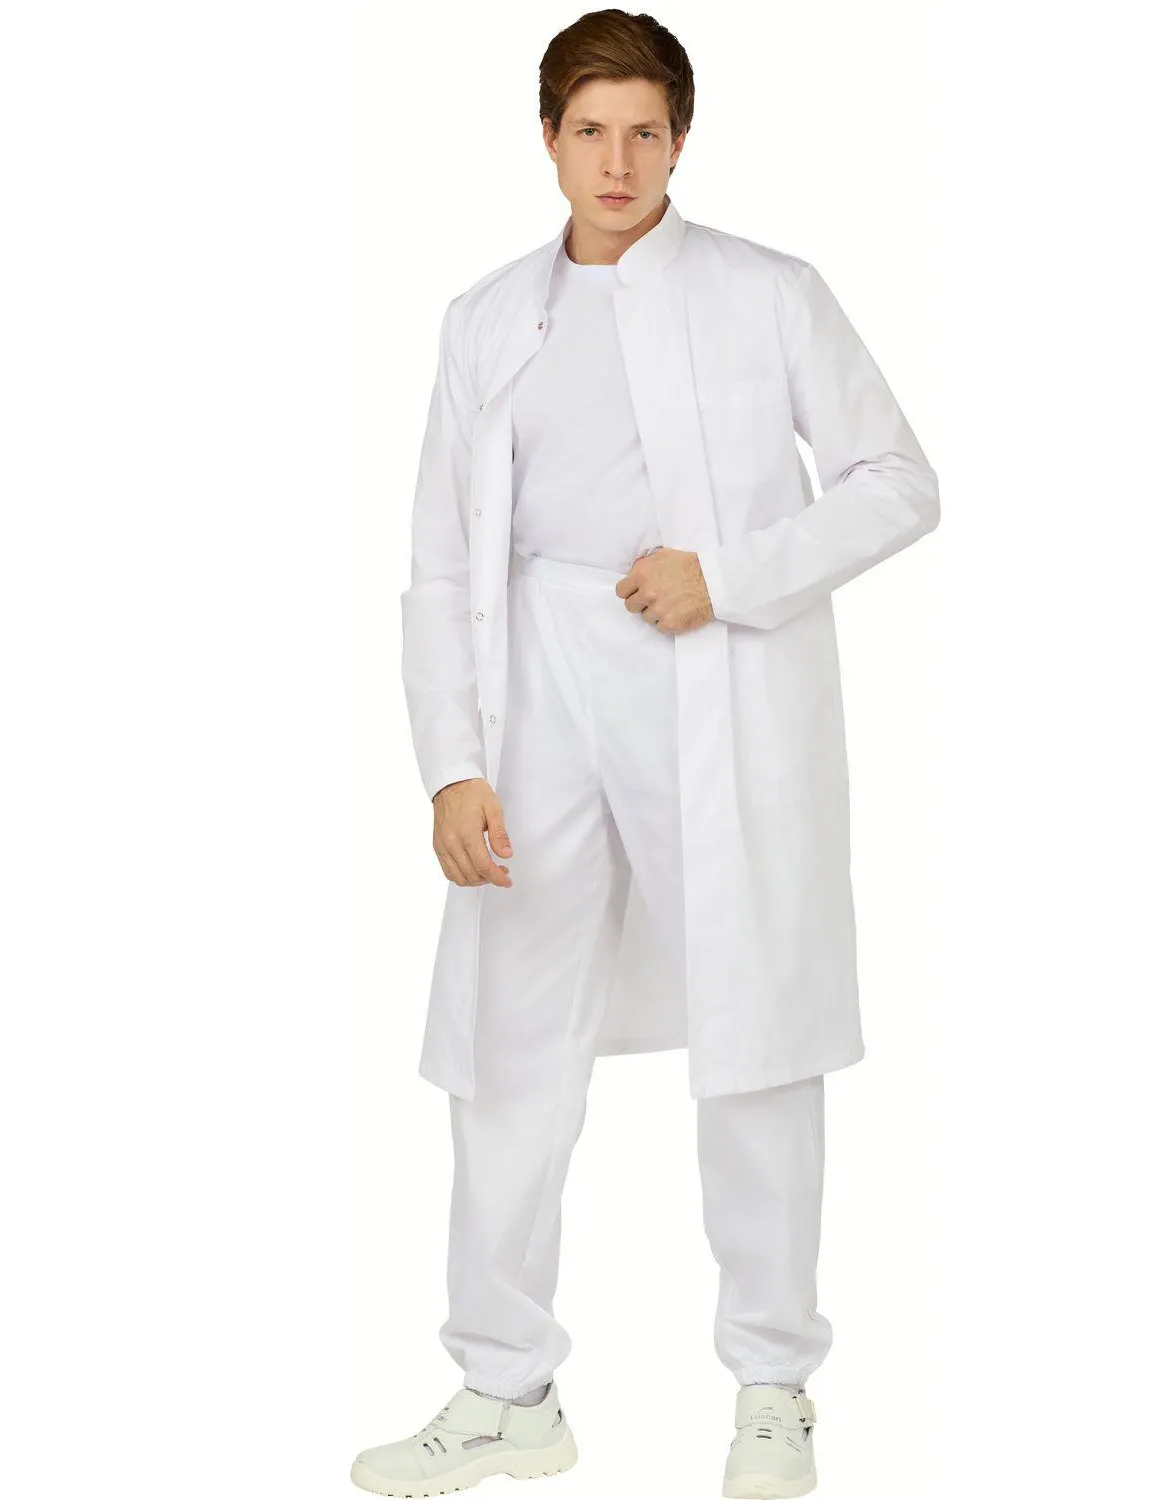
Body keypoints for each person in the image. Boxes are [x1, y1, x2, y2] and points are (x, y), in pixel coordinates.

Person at [352, 11, 939, 1498]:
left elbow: (897, 480)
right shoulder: (486, 317)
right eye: (589, 131)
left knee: (755, 1025)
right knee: (506, 1035)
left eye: (645, 132)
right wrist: (451, 763)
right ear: (547, 140)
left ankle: (772, 1388)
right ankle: (506, 1389)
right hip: (537, 683)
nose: (617, 162)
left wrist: (725, 577)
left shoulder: (767, 292)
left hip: (712, 676)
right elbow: (438, 557)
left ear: (682, 140)